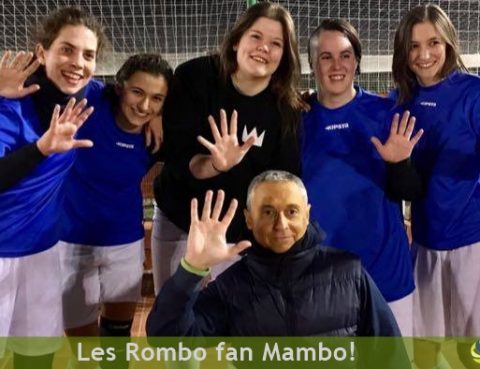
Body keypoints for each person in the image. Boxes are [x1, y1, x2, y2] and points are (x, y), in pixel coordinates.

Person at [151, 2, 303, 294]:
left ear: (284, 56)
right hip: (180, 217)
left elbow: (283, 180)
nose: (263, 48)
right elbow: (179, 158)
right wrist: (216, 164)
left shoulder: (287, 111)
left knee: (227, 327)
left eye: (276, 43)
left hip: (237, 235)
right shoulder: (196, 77)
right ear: (236, 41)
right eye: (255, 37)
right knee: (174, 320)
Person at [146, 170, 400, 339]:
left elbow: (390, 356)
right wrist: (190, 270)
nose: (281, 225)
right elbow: (168, 339)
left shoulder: (349, 272)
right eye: (268, 212)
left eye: (291, 212)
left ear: (307, 214)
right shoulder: (231, 287)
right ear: (248, 218)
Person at [0, 7, 107, 369]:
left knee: (37, 360)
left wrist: (151, 113)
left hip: (42, 253)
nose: (78, 62)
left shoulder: (87, 96)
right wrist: (41, 148)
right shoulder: (8, 101)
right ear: (42, 52)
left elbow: (127, 94)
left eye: (88, 55)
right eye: (67, 49)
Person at [301, 19, 422, 336]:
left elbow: (409, 190)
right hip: (322, 280)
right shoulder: (295, 119)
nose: (336, 65)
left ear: (357, 61)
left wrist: (399, 164)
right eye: (325, 56)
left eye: (344, 55)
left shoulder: (387, 112)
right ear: (312, 63)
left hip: (387, 276)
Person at [59, 53, 172, 343]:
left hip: (124, 242)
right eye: (137, 92)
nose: (145, 105)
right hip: (71, 240)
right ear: (120, 87)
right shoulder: (92, 100)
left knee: (117, 338)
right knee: (81, 341)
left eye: (156, 98)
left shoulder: (159, 135)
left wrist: (160, 116)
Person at [391, 4, 480, 369]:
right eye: (414, 46)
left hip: (471, 242)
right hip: (425, 244)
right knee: (429, 351)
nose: (423, 54)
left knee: (471, 349)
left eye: (433, 43)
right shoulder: (404, 100)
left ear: (449, 43)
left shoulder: (472, 92)